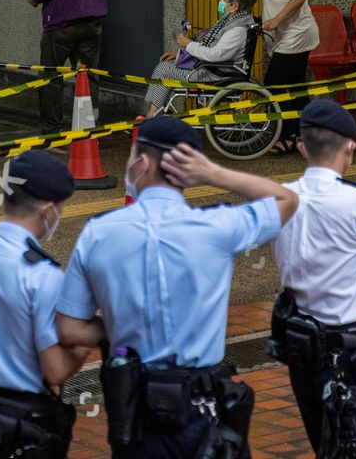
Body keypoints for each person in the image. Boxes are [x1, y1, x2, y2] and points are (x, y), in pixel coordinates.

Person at [55, 117, 299, 459]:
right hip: (206, 409)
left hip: (136, 410)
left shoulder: (98, 232)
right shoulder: (219, 226)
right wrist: (214, 173)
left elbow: (68, 329)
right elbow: (286, 199)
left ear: (142, 164)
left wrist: (122, 327)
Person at [271, 100, 356, 459]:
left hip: (299, 341)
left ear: (301, 146)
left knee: (322, 438)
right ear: (350, 146)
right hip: (353, 346)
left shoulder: (280, 197)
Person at [0, 150, 94, 459]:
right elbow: (55, 371)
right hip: (23, 428)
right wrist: (87, 338)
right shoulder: (43, 276)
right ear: (48, 210)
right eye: (61, 209)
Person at [144, 0, 257, 117]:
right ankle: (154, 114)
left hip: (214, 75)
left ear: (234, 6)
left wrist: (187, 44)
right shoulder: (235, 23)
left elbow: (214, 54)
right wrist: (179, 54)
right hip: (214, 69)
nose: (221, 2)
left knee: (164, 70)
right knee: (166, 67)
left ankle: (151, 117)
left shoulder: (237, 31)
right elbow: (211, 49)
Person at [256, 0, 320, 146]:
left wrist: (276, 21)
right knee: (296, 86)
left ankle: (284, 136)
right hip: (293, 34)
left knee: (274, 84)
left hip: (295, 35)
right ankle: (299, 135)